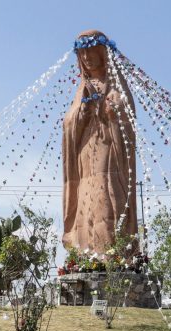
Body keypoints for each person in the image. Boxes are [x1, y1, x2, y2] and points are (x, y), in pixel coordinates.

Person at [62, 29, 138, 254]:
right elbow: (69, 122)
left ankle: (112, 252)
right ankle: (87, 253)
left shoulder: (115, 83)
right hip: (85, 150)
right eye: (82, 53)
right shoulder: (82, 88)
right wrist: (82, 111)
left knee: (106, 191)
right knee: (85, 196)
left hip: (109, 146)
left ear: (103, 52)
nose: (87, 57)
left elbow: (127, 114)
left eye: (91, 51)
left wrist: (114, 108)